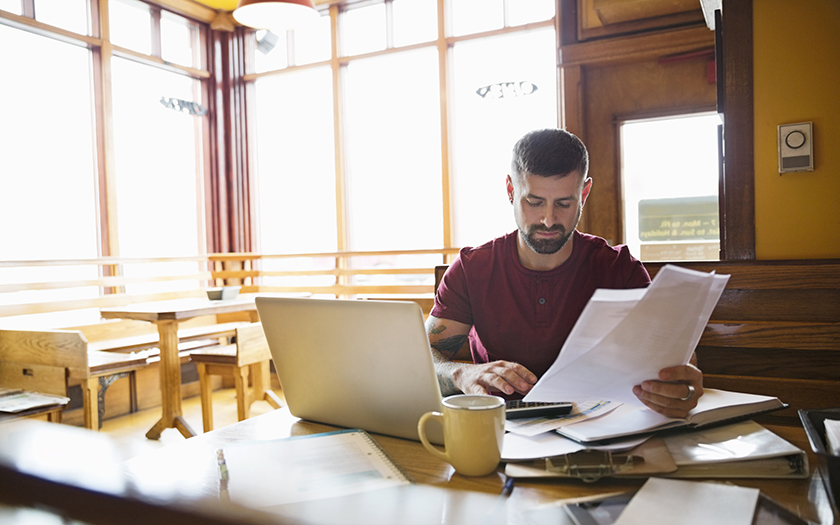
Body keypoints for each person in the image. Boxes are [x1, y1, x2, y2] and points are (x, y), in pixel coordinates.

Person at [426, 128, 703, 418]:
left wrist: (679, 385)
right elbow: (424, 359)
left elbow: (672, 358)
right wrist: (461, 375)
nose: (548, 219)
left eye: (564, 203)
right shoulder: (474, 268)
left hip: (601, 423)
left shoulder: (618, 269)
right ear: (510, 191)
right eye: (534, 202)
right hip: (502, 427)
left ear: (584, 193)